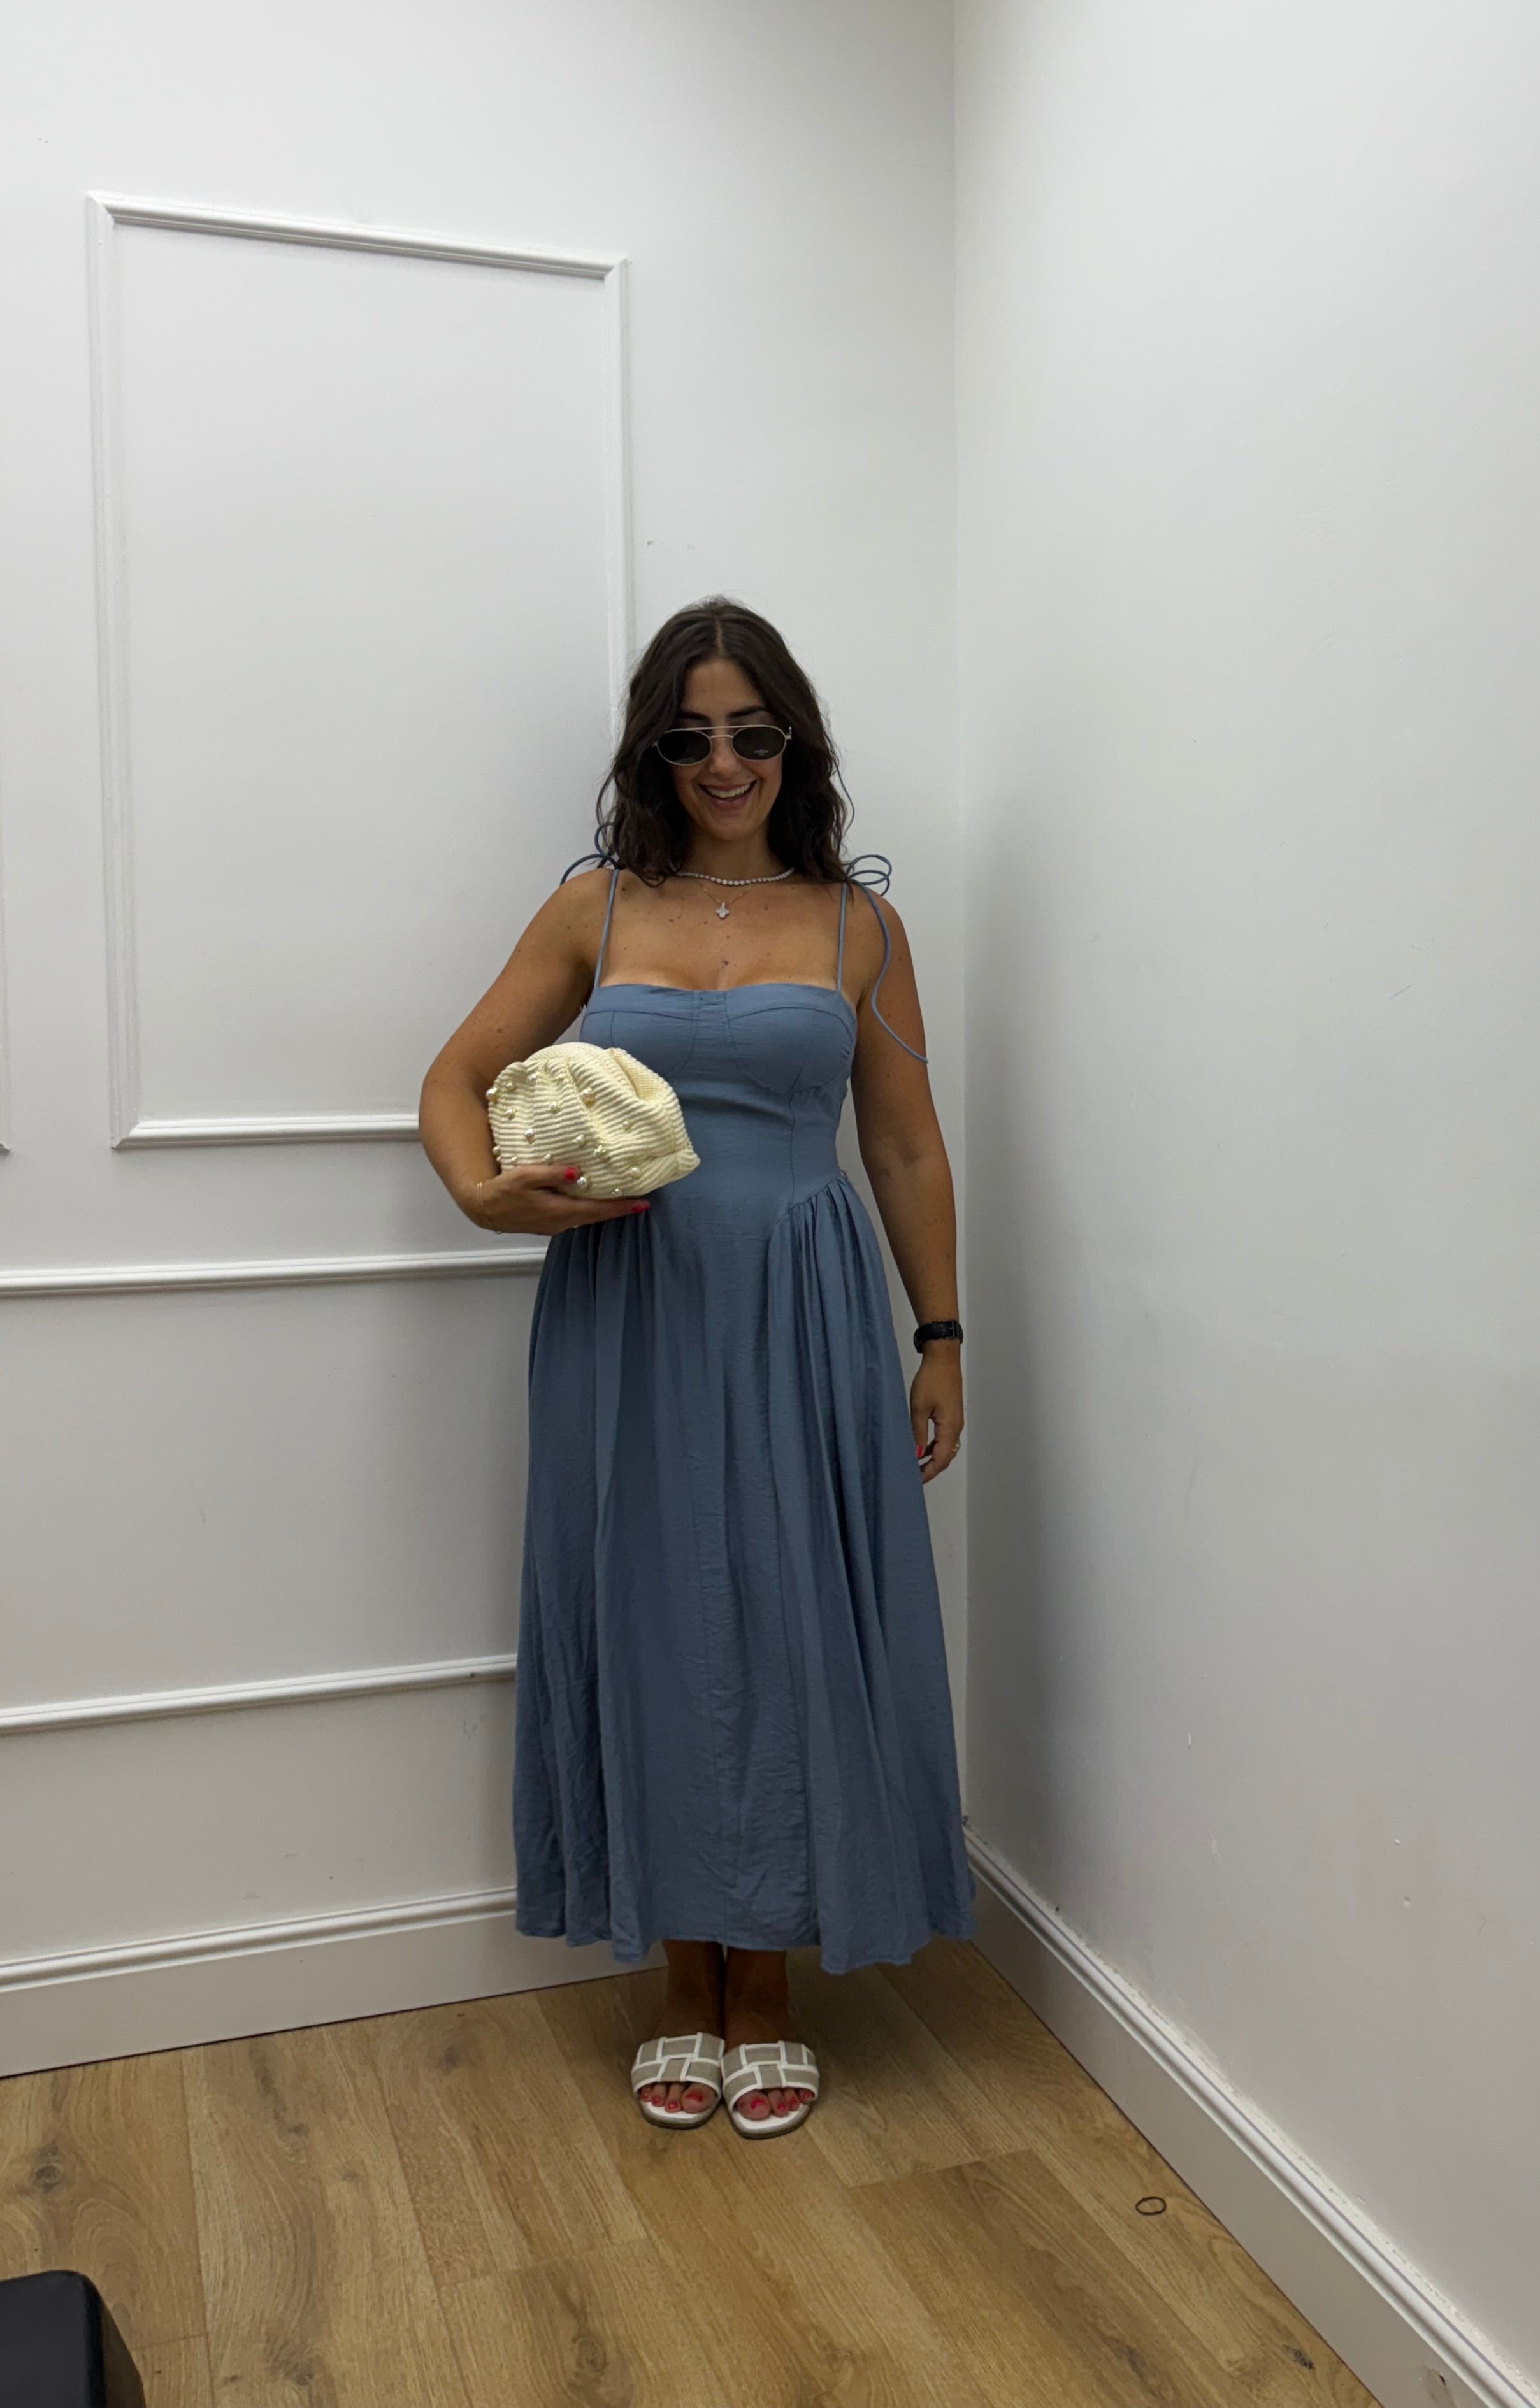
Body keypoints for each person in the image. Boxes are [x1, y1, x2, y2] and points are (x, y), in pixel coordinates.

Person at [419, 598, 972, 2138]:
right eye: (689, 737)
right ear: (651, 752)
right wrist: (481, 1194)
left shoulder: (860, 928)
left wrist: (940, 1336)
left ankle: (768, 1986)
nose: (724, 763)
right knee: (650, 1616)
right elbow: (454, 1078)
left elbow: (906, 1147)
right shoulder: (591, 908)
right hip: (627, 1301)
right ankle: (683, 1976)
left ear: (796, 744)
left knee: (792, 1620)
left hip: (802, 1305)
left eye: (752, 732)